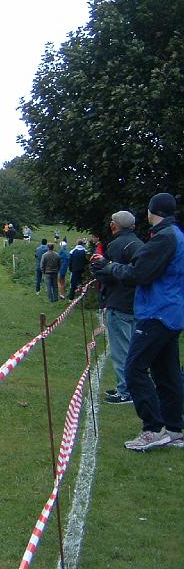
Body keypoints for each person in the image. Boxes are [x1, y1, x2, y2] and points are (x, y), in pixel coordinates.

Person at [92, 193, 183, 451]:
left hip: (157, 312)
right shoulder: (175, 234)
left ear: (150, 212)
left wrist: (110, 268)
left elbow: (139, 274)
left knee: (134, 368)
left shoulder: (164, 238)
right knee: (167, 372)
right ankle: (174, 429)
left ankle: (153, 428)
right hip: (171, 311)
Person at [96, 210, 143, 405]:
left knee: (121, 350)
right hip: (135, 303)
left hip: (118, 302)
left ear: (114, 225)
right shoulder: (140, 244)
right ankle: (130, 387)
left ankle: (125, 390)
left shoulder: (117, 245)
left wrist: (99, 268)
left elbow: (109, 273)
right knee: (132, 348)